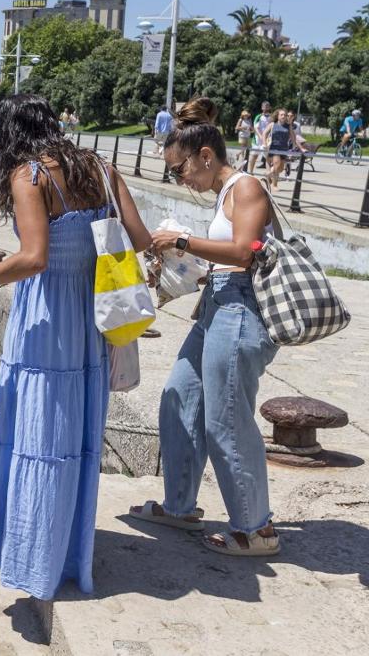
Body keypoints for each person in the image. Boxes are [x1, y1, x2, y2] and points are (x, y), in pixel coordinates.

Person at [0, 94, 151, 601]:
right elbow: (141, 239)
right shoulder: (101, 169)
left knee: (37, 433)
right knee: (74, 438)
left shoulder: (29, 176)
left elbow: (33, 258)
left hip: (46, 317)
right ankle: (64, 553)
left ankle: (35, 557)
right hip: (91, 315)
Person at [130, 96, 281, 557]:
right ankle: (179, 505)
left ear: (206, 157)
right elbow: (223, 255)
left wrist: (180, 239)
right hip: (217, 305)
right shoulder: (226, 192)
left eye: (180, 169)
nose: (180, 179)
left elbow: (242, 252)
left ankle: (256, 530)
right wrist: (185, 259)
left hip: (240, 312)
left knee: (227, 420)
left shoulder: (247, 187)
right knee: (180, 395)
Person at [264, 108, 291, 191]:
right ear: (278, 116)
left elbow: (293, 137)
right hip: (274, 148)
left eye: (285, 115)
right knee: (277, 165)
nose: (284, 116)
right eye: (281, 115)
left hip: (284, 149)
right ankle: (274, 185)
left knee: (281, 168)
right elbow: (264, 133)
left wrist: (296, 147)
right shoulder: (272, 124)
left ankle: (268, 174)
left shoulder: (288, 126)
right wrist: (264, 144)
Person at [253, 101, 273, 169]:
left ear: (270, 107)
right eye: (264, 106)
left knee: (267, 157)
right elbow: (255, 128)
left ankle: (268, 175)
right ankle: (250, 171)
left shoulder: (272, 117)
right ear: (262, 108)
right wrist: (261, 137)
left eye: (267, 106)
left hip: (267, 140)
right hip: (258, 140)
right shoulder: (259, 116)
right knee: (255, 156)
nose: (266, 108)